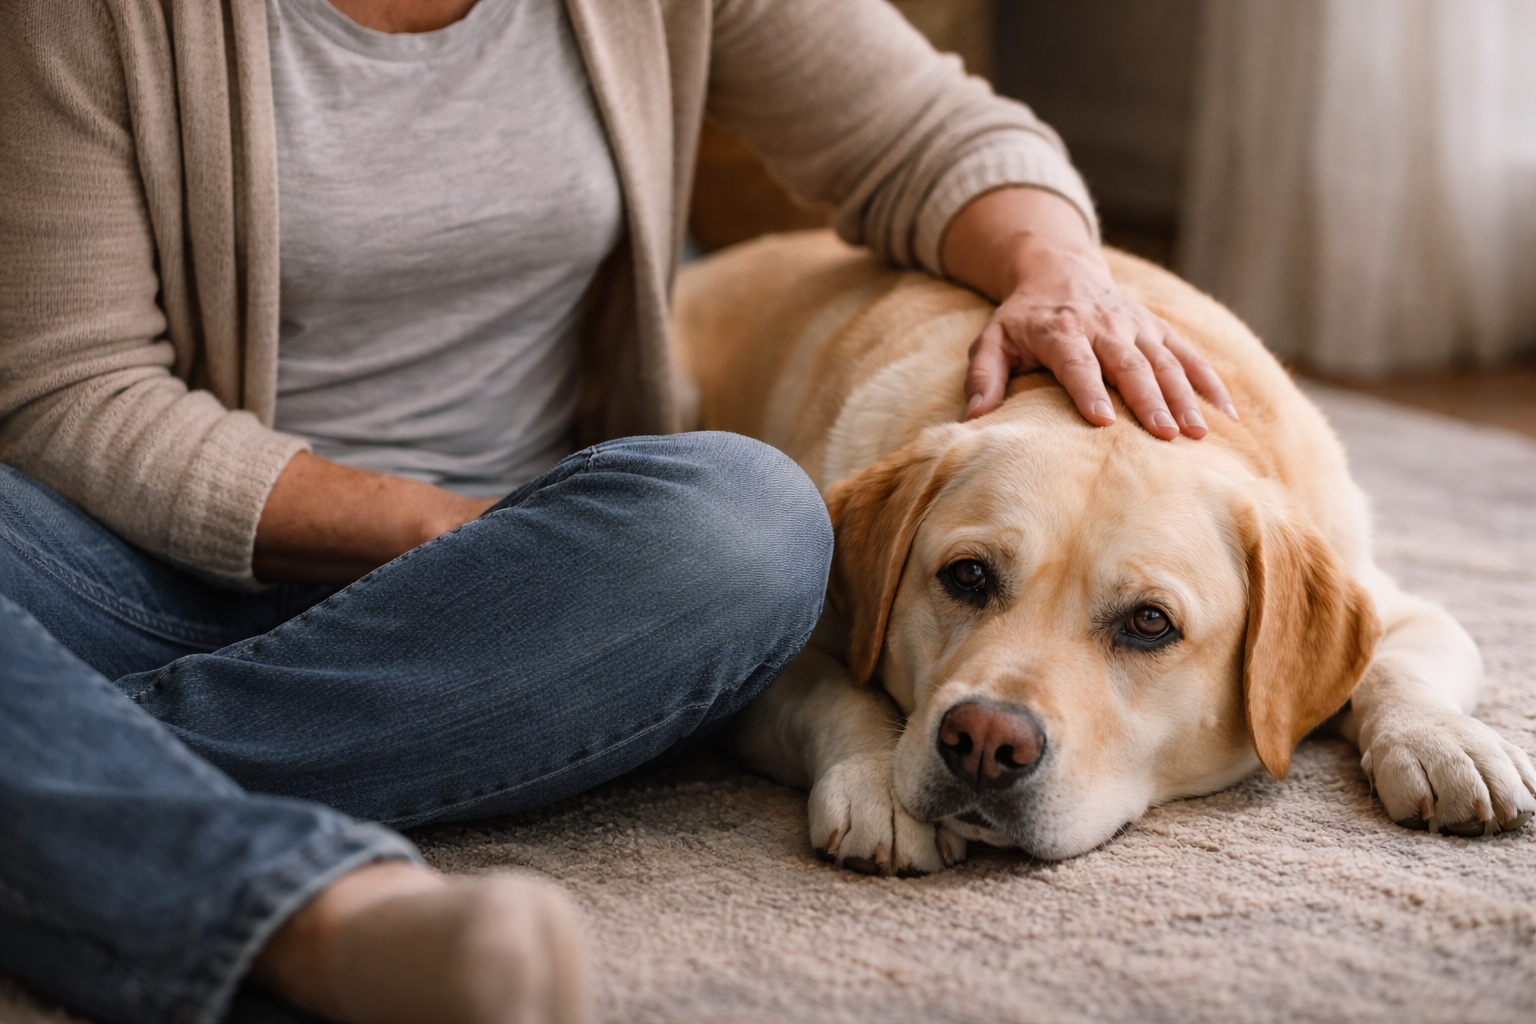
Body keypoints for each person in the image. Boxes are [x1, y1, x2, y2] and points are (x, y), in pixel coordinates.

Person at [0, 0, 1236, 1021]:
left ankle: (56, 752)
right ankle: (309, 915)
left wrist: (1058, 272)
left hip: (541, 596)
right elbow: (72, 393)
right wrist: (441, 530)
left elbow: (928, 132)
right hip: (127, 564)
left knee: (753, 524)